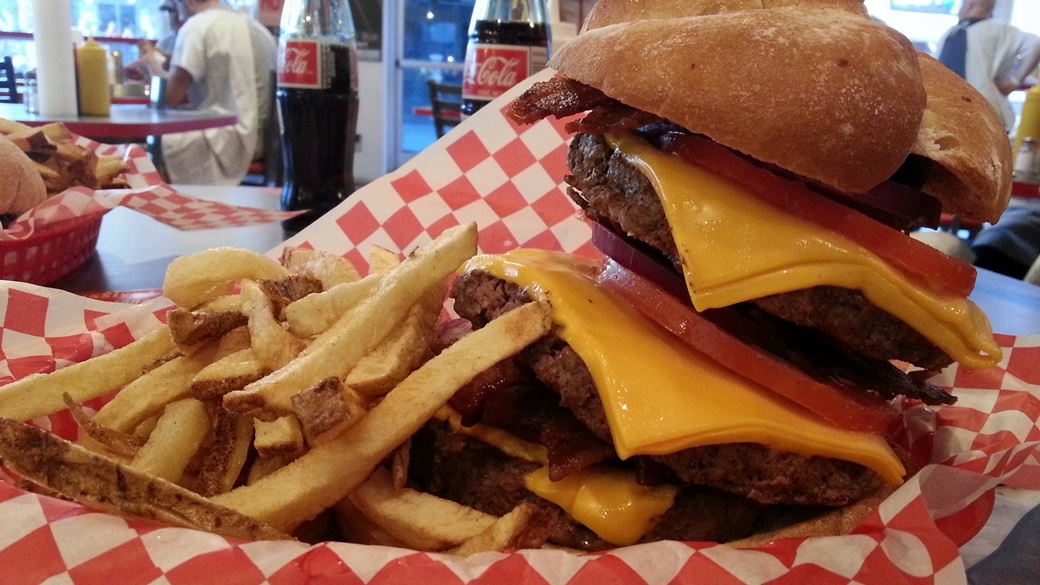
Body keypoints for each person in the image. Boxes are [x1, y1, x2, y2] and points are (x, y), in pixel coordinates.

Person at [159, 0, 277, 185]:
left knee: (148, 150)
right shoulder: (256, 27)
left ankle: (172, 209)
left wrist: (151, 65)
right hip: (267, 143)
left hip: (230, 141)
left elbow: (169, 96)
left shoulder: (197, 25)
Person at [936, 0, 1040, 130]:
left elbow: (1037, 44)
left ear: (969, 5)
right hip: (970, 114)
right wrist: (1015, 80)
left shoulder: (998, 30)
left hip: (982, 115)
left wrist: (1015, 81)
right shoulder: (954, 31)